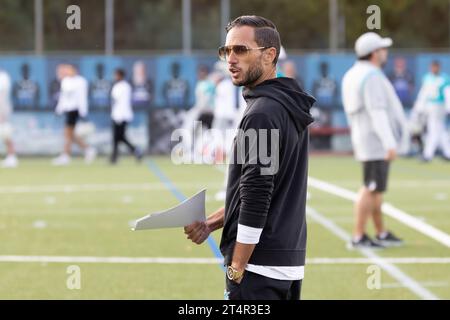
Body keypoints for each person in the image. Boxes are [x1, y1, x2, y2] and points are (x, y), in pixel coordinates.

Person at [184, 15, 315, 300]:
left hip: (259, 268)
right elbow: (261, 187)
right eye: (226, 50)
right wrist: (211, 223)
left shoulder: (263, 113)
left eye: (241, 50)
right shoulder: (283, 102)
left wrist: (237, 268)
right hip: (285, 261)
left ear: (270, 55)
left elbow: (257, 195)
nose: (230, 59)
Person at [342, 32, 409, 249]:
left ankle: (380, 232)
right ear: (373, 53)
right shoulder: (371, 76)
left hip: (365, 137)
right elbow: (377, 111)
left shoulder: (354, 73)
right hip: (374, 141)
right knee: (370, 187)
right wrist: (389, 142)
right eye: (382, 49)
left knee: (376, 188)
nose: (385, 52)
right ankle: (359, 235)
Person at [53, 64, 97, 166]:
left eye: (70, 70)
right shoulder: (65, 81)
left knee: (67, 133)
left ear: (75, 70)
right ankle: (88, 149)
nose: (68, 72)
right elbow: (63, 98)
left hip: (75, 110)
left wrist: (83, 111)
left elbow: (82, 98)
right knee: (70, 134)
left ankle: (66, 155)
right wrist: (59, 110)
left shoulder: (81, 81)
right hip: (68, 110)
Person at [412, 60, 450, 162]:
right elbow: (423, 94)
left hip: (439, 106)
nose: (434, 69)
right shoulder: (427, 78)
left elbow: (447, 94)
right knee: (441, 130)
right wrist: (419, 107)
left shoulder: (444, 79)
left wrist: (448, 108)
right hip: (430, 106)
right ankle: (447, 153)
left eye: (435, 67)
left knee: (434, 130)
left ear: (439, 67)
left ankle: (428, 154)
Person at [110, 68, 142, 164]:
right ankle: (115, 156)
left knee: (120, 137)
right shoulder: (123, 86)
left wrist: (119, 116)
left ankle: (135, 150)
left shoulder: (122, 87)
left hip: (121, 115)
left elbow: (117, 100)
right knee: (118, 137)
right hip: (118, 114)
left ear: (120, 75)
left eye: (116, 75)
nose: (115, 77)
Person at [0, 69, 18, 168]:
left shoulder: (2, 76)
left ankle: (11, 156)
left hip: (2, 108)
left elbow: (1, 95)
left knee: (5, 131)